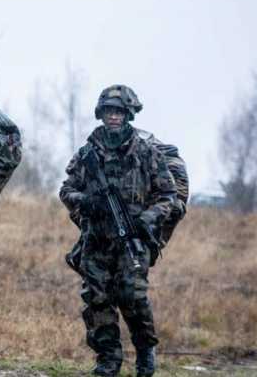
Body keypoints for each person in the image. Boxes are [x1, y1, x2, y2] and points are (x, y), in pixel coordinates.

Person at [59, 85, 177, 377]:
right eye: (109, 111)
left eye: (119, 112)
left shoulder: (146, 153)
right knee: (97, 299)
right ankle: (108, 360)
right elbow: (66, 190)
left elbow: (167, 196)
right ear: (101, 114)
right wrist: (86, 201)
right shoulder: (87, 153)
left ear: (128, 115)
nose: (113, 116)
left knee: (132, 296)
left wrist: (147, 219)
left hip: (132, 239)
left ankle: (145, 351)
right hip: (96, 240)